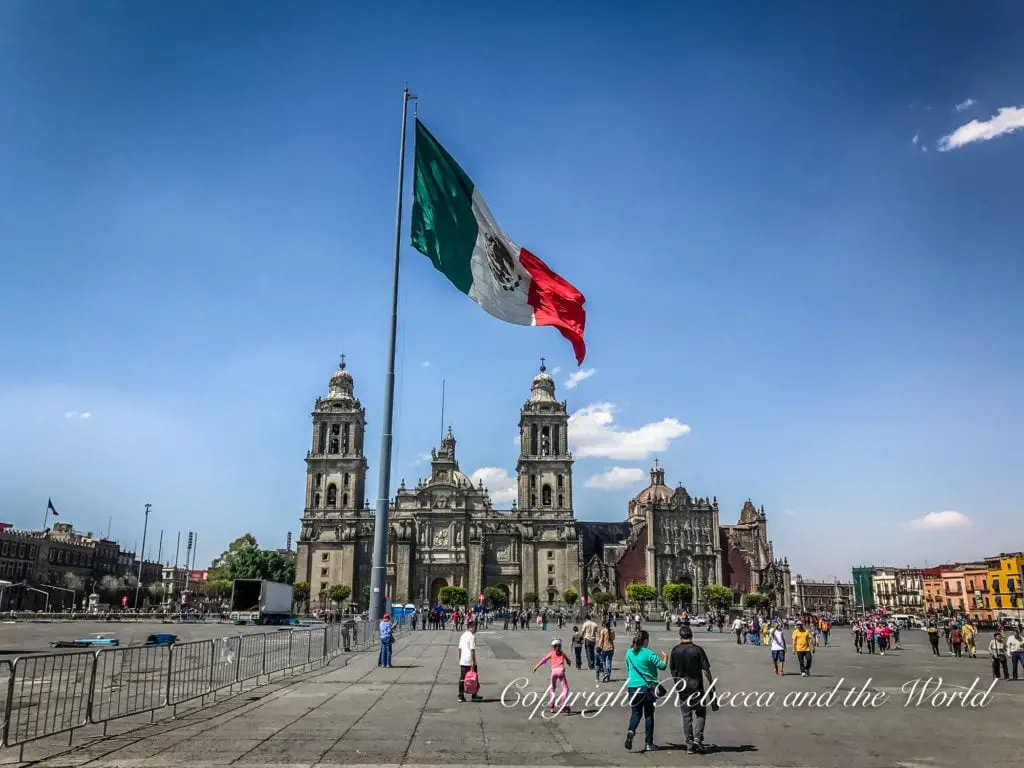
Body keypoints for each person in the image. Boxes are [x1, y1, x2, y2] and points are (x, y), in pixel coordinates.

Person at [669, 625, 714, 754]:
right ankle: (697, 738)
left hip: (682, 688)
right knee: (700, 713)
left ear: (680, 636)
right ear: (691, 635)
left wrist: (677, 683)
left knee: (686, 716)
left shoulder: (675, 650)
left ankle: (689, 744)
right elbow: (706, 669)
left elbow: (672, 669)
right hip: (697, 687)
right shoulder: (698, 650)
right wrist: (711, 682)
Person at [623, 629, 668, 753]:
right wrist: (665, 657)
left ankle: (631, 731)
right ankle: (649, 743)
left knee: (635, 713)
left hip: (632, 687)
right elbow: (662, 666)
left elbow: (628, 667)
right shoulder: (649, 653)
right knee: (649, 715)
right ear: (646, 640)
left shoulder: (629, 652)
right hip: (647, 688)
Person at [535, 637, 572, 713]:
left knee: (552, 689)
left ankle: (551, 707)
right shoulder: (562, 653)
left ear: (553, 647)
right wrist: (569, 662)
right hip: (561, 671)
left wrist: (536, 666)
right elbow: (568, 662)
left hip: (553, 672)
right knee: (565, 689)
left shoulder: (551, 653)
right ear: (560, 646)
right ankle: (562, 703)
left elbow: (544, 660)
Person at [457, 619, 482, 702]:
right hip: (470, 660)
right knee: (474, 678)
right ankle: (474, 695)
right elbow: (472, 650)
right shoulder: (472, 637)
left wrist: (460, 658)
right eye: (475, 627)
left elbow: (459, 649)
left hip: (463, 660)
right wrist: (472, 663)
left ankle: (461, 696)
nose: (476, 629)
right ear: (470, 627)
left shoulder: (462, 635)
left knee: (462, 678)